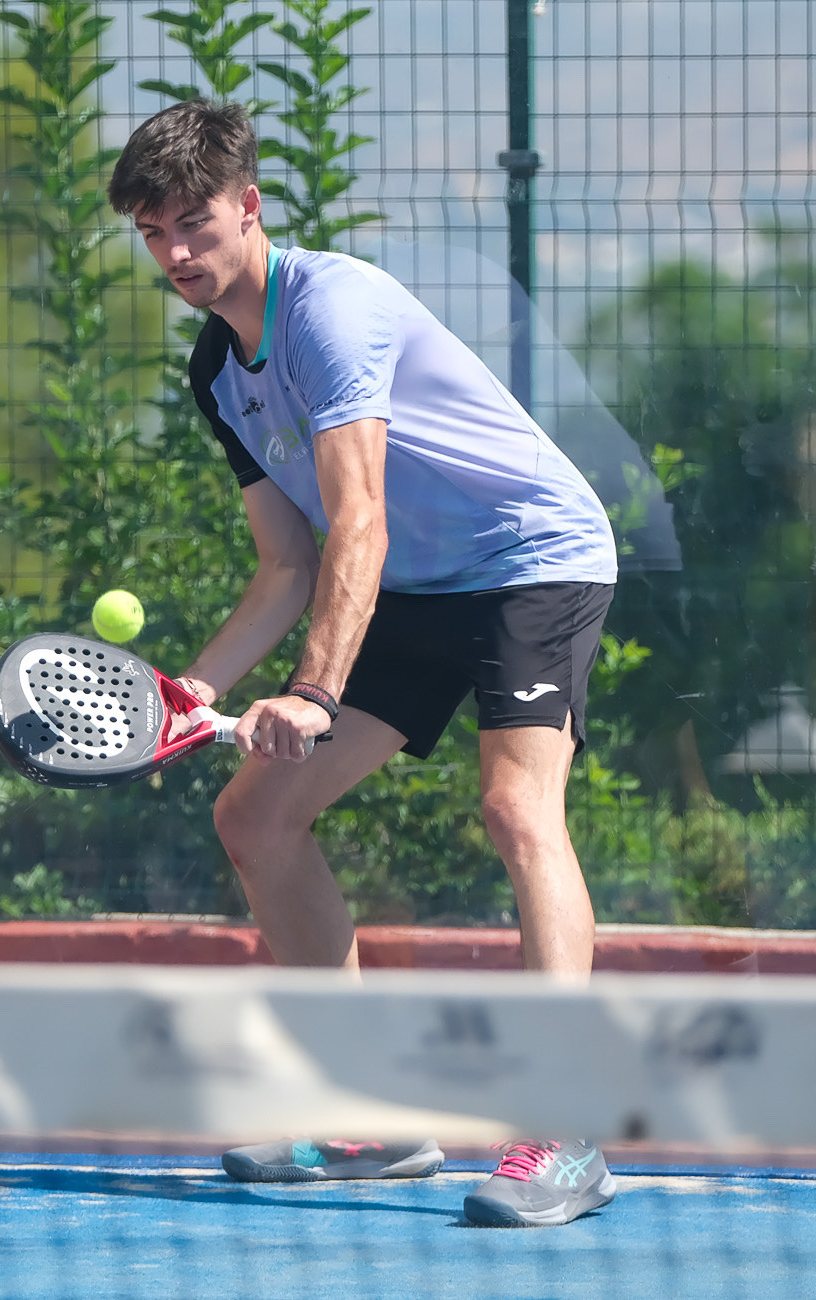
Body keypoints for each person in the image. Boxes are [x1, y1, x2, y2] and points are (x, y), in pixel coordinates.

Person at [107, 98, 618, 1229]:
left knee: (516, 807)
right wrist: (193, 693)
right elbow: (287, 564)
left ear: (249, 206)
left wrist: (311, 692)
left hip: (532, 558)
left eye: (193, 222)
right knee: (255, 818)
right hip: (420, 585)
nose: (176, 253)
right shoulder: (216, 367)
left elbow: (360, 521)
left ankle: (565, 1128)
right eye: (153, 233)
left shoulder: (331, 310)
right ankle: (366, 1118)